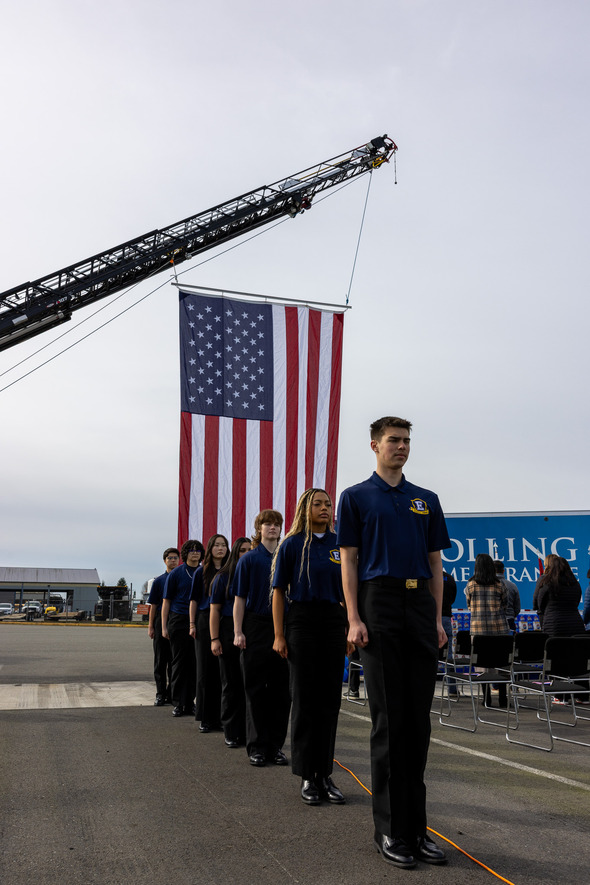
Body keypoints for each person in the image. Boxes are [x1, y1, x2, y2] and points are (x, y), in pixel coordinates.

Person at [337, 416, 450, 870]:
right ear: (374, 445)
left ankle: (416, 830)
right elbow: (349, 561)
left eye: (406, 441)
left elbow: (435, 562)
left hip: (419, 607)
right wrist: (353, 617)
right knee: (389, 723)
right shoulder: (356, 497)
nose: (401, 447)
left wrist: (438, 618)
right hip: (378, 604)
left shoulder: (426, 499)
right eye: (393, 441)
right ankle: (388, 831)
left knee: (417, 724)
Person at [272, 488, 347, 806]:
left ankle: (324, 773)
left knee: (329, 700)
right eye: (318, 504)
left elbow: (348, 590)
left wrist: (349, 628)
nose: (325, 508)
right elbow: (277, 591)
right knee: (305, 699)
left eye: (329, 504)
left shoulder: (340, 546)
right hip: (301, 622)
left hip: (333, 622)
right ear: (305, 508)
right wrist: (279, 634)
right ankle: (306, 775)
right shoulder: (291, 545)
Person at [233, 510, 291, 767]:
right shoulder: (249, 561)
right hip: (256, 625)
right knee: (255, 689)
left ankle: (275, 746)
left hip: (284, 627)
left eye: (277, 524)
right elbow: (239, 599)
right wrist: (238, 631)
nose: (273, 528)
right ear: (259, 528)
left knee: (281, 691)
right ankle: (256, 746)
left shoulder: (287, 556)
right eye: (268, 523)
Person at [210, 537, 251, 748]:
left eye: (249, 550)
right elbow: (215, 611)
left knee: (249, 686)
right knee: (231, 684)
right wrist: (214, 639)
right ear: (235, 553)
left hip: (251, 630)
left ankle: (247, 732)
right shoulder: (222, 577)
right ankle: (231, 730)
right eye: (242, 550)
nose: (246, 553)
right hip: (226, 632)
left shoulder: (256, 573)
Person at [190, 534, 228, 732]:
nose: (220, 548)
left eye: (223, 545)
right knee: (205, 672)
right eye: (216, 545)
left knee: (223, 673)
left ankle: (222, 717)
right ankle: (206, 718)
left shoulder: (231, 569)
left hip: (225, 620)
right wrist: (192, 624)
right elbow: (194, 600)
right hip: (205, 621)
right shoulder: (201, 572)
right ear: (210, 548)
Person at [162, 540, 204, 717]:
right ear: (185, 554)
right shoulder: (176, 574)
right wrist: (164, 627)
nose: (195, 553)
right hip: (178, 620)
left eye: (198, 550)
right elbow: (166, 602)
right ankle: (178, 702)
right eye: (191, 550)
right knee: (179, 663)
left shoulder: (204, 572)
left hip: (198, 620)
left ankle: (190, 702)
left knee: (195, 663)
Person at [465, 553, 510, 707]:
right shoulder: (500, 585)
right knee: (501, 663)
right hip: (499, 629)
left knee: (482, 664)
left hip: (478, 630)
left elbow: (469, 606)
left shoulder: (470, 585)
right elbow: (505, 604)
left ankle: (486, 699)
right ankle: (503, 698)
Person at [147, 547, 179, 705]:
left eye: (175, 558)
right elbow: (153, 605)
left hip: (176, 619)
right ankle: (160, 693)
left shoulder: (180, 578)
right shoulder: (159, 581)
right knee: (161, 660)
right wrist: (151, 626)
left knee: (175, 661)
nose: (173, 561)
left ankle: (172, 693)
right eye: (170, 558)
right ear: (165, 560)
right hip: (160, 620)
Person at [533, 556, 584, 636]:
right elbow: (577, 601)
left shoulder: (547, 583)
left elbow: (540, 604)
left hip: (553, 624)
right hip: (575, 624)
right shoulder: (575, 584)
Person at [494, 560, 521, 632]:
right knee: (510, 643)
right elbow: (517, 607)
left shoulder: (488, 586)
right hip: (510, 621)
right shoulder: (512, 586)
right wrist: (511, 615)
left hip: (493, 622)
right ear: (503, 571)